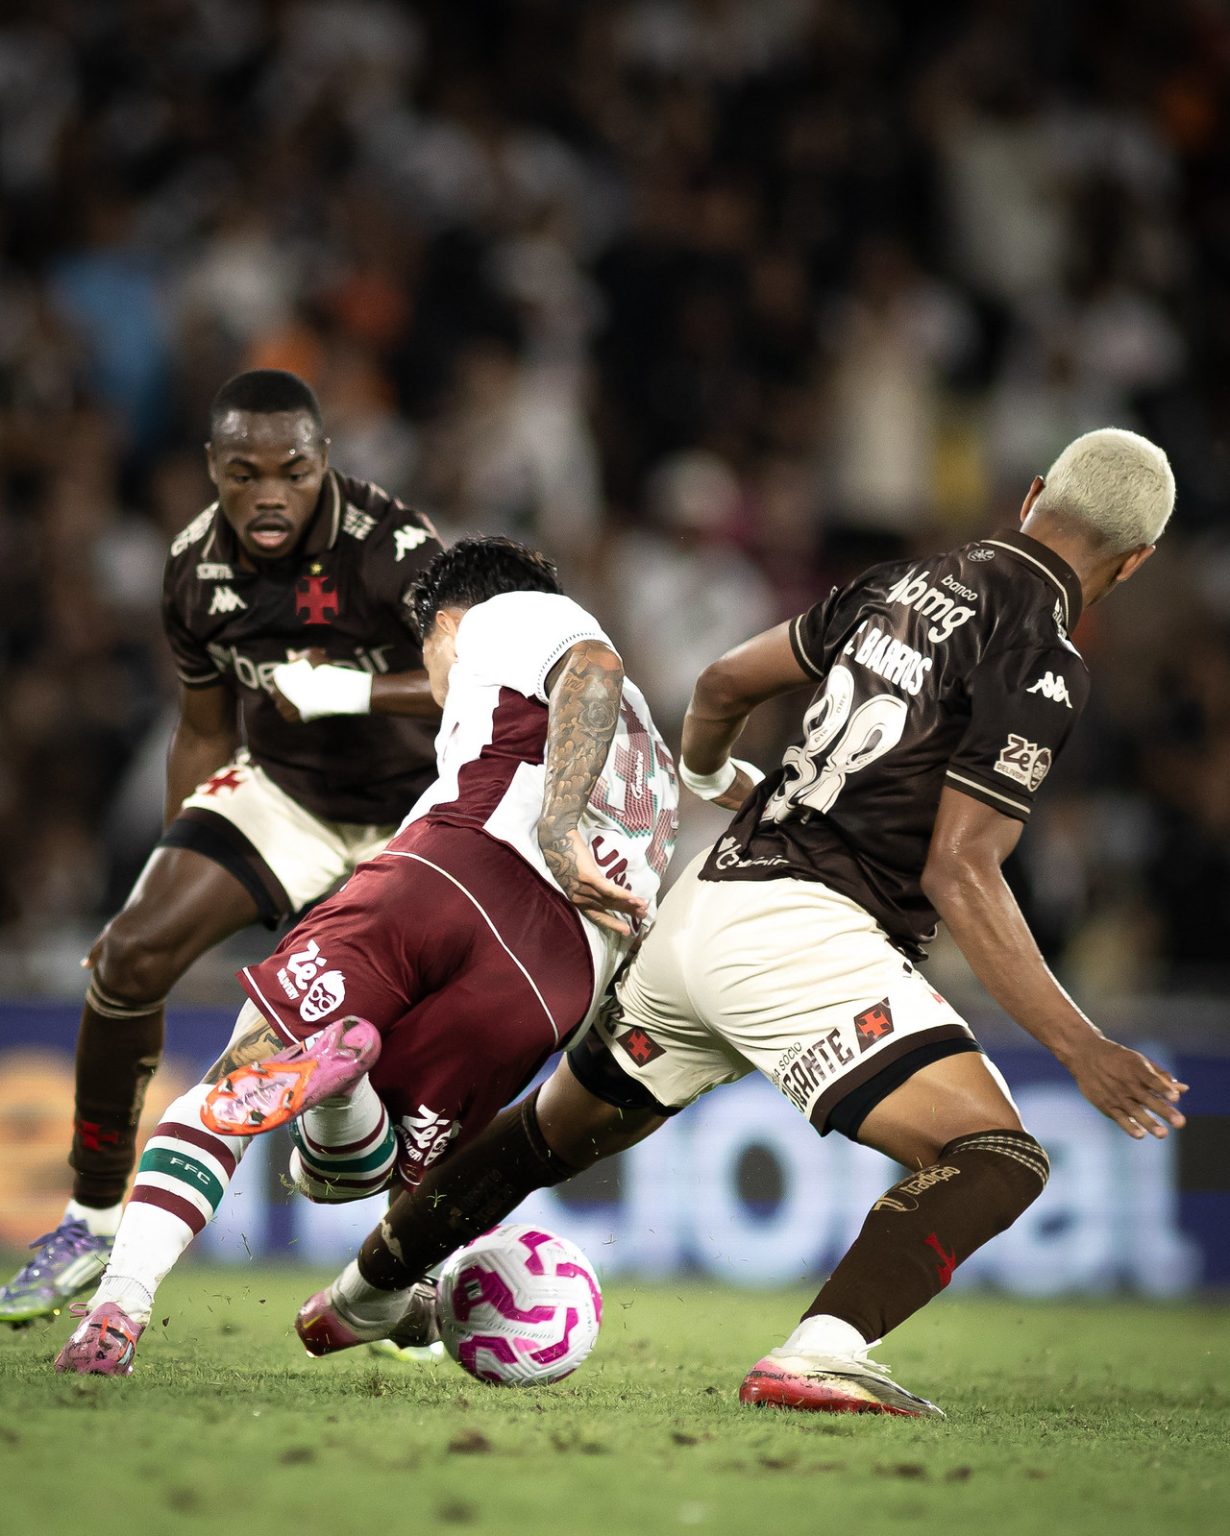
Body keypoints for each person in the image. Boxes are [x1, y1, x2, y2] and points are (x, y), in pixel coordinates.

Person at [278, 427, 1188, 1417]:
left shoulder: (901, 581)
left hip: (705, 904)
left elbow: (720, 685)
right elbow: (962, 869)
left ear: (1032, 493)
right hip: (808, 932)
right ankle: (822, 1351)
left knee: (545, 1137)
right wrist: (1083, 1047)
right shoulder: (1043, 657)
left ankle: (361, 1296)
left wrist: (710, 773)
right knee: (997, 1156)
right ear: (1135, 562)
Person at [55, 536, 678, 1374]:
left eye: (425, 654)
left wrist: (558, 829)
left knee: (235, 1087)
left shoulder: (512, 613)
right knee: (349, 1182)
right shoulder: (656, 764)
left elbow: (592, 664)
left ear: (446, 623)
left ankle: (117, 1311)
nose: (433, 679)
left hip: (456, 868)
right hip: (553, 982)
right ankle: (345, 1092)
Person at [0, 369, 444, 1324]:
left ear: (324, 462)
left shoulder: (394, 548)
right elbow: (203, 728)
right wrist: (174, 857)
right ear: (212, 467)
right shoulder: (194, 568)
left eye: (292, 471)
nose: (269, 494)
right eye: (245, 474)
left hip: (419, 813)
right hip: (288, 796)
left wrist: (353, 691)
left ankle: (406, 1273)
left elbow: (474, 680)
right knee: (129, 956)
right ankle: (88, 1223)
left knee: (409, 1038)